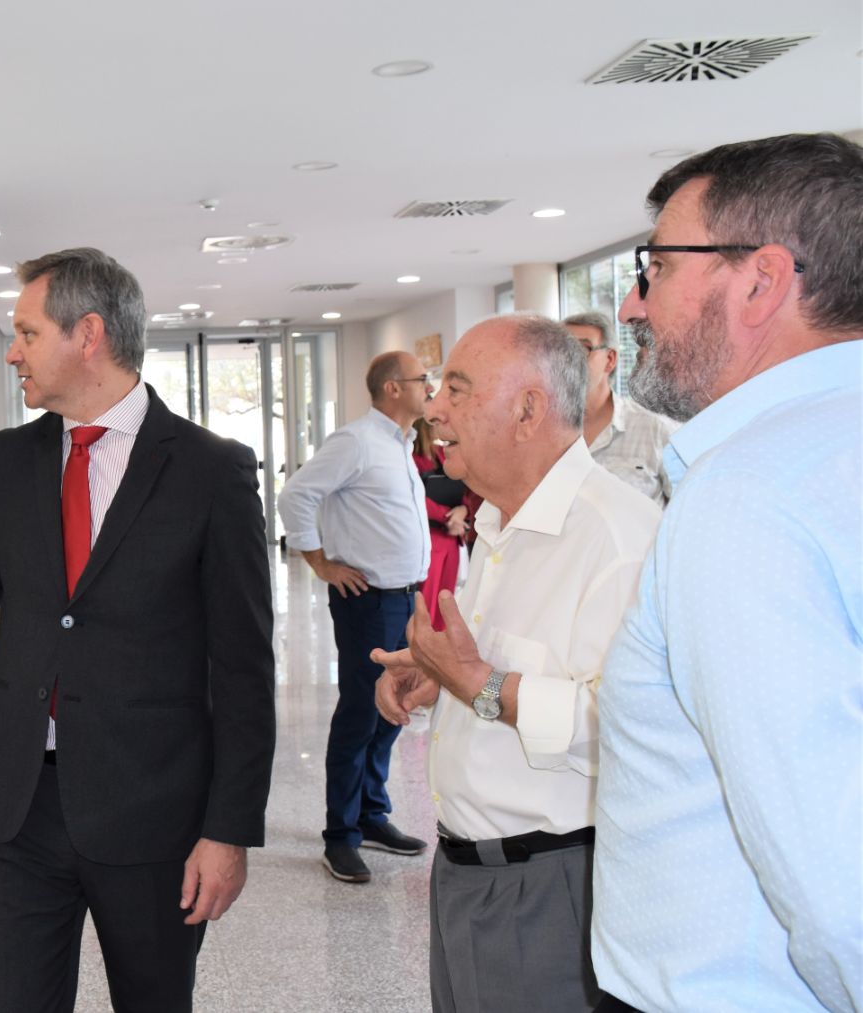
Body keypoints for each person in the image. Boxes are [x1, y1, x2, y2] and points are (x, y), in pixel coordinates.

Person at [0, 248, 275, 1013]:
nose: (11, 352)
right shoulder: (7, 462)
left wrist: (229, 829)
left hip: (153, 813)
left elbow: (243, 668)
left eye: (27, 332)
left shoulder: (212, 473)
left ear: (89, 335)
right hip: (14, 809)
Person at [592, 132, 863, 1012]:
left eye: (657, 268)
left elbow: (831, 876)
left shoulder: (749, 496)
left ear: (760, 280)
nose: (633, 308)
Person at [373, 315, 661, 1013]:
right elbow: (497, 672)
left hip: (553, 888)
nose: (435, 408)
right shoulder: (500, 522)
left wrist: (478, 684)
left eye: (460, 390)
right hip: (466, 878)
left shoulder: (617, 538)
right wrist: (442, 675)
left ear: (529, 409)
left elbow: (628, 722)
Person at [277, 350, 432, 883]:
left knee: (395, 708)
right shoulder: (357, 441)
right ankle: (340, 835)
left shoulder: (400, 445)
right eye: (421, 379)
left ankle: (371, 815)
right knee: (361, 713)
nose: (429, 387)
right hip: (368, 601)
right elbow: (295, 494)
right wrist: (318, 560)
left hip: (406, 597)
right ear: (393, 388)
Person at [560, 310, 678, 504]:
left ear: (610, 360)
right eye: (561, 349)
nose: (568, 360)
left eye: (583, 349)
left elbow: (687, 509)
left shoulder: (656, 430)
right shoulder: (541, 431)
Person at [411, 416, 478, 631]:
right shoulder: (412, 457)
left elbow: (467, 486)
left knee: (446, 600)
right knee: (427, 602)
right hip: (432, 537)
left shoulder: (442, 454)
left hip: (452, 537)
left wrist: (464, 510)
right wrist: (447, 516)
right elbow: (415, 497)